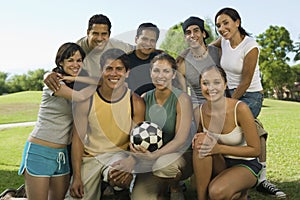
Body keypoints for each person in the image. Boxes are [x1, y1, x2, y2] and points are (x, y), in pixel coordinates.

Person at [212, 7, 286, 198]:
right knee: (242, 129)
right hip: (229, 93)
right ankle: (236, 178)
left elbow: (245, 81)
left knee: (245, 127)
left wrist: (229, 105)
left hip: (251, 95)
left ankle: (260, 179)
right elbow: (210, 47)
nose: (222, 28)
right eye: (218, 25)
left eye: (226, 22)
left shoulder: (250, 46)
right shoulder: (224, 41)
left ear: (238, 22)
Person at [17, 43, 96, 200]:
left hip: (62, 155)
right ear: (61, 62)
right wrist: (49, 75)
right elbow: (81, 96)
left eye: (79, 60)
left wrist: (73, 77)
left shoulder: (77, 85)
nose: (75, 64)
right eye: (70, 60)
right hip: (39, 150)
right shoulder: (54, 83)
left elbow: (101, 80)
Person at [67, 48, 145, 200]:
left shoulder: (135, 102)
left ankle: (115, 192)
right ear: (101, 71)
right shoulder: (86, 101)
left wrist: (131, 161)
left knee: (121, 176)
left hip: (117, 155)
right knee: (76, 195)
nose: (114, 73)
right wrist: (76, 176)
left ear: (127, 72)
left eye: (119, 69)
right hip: (90, 158)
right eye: (109, 68)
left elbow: (137, 140)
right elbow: (77, 140)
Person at [130, 53, 195, 200]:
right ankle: (159, 189)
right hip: (151, 159)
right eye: (156, 70)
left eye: (166, 71)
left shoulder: (182, 99)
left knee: (164, 166)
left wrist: (154, 155)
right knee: (138, 198)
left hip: (179, 156)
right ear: (150, 72)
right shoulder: (145, 97)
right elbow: (137, 131)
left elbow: (180, 140)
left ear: (173, 74)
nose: (161, 76)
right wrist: (137, 151)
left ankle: (174, 185)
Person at [193, 65, 262, 200]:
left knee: (216, 192)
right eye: (205, 83)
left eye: (216, 82)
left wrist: (219, 148)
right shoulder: (199, 112)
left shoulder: (240, 109)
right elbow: (202, 149)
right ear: (201, 86)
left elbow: (255, 150)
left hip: (245, 164)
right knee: (201, 141)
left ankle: (237, 190)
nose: (211, 88)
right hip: (220, 163)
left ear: (225, 85)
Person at [45, 14, 134, 92]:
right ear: (88, 32)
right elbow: (64, 66)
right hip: (88, 91)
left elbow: (143, 51)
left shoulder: (120, 46)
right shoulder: (77, 49)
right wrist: (48, 75)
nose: (99, 38)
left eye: (103, 34)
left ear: (109, 34)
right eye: (95, 33)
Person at [177, 16, 220, 106]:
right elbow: (183, 94)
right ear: (185, 37)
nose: (192, 35)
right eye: (188, 33)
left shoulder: (218, 53)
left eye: (196, 31)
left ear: (203, 34)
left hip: (220, 105)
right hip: (197, 109)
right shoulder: (182, 63)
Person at [126, 22, 162, 96]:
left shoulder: (161, 60)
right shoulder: (125, 61)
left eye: (152, 40)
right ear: (136, 39)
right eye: (144, 39)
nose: (148, 44)